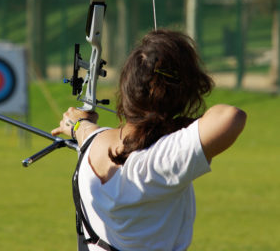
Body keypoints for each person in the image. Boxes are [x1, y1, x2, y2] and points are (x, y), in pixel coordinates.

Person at [51, 29, 247, 251]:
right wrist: (179, 124)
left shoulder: (92, 141)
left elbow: (84, 131)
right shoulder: (158, 161)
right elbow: (231, 117)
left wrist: (77, 124)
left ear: (126, 87)